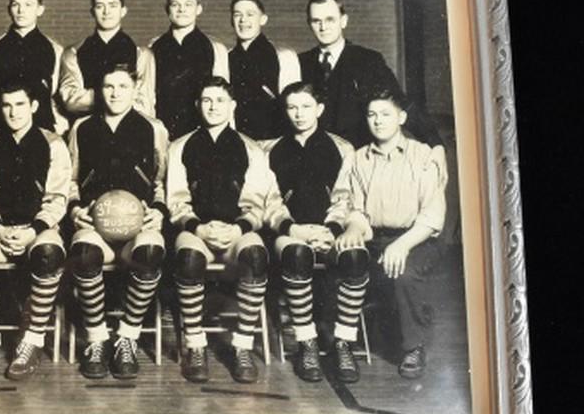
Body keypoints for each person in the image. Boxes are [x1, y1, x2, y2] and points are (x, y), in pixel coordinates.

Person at [0, 80, 71, 381]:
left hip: (38, 230)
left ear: (33, 106)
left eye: (20, 104)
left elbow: (58, 197)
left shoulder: (53, 143)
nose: (13, 112)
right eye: (7, 105)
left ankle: (31, 341)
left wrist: (33, 230)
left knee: (49, 253)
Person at [334, 88, 447, 379]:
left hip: (417, 237)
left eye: (385, 114)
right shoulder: (358, 159)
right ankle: (343, 344)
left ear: (402, 118)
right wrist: (354, 227)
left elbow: (432, 217)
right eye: (372, 115)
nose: (378, 121)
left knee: (404, 273)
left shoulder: (423, 155)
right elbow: (356, 208)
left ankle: (414, 347)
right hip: (375, 237)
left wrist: (402, 245)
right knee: (345, 259)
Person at [166, 76, 272, 384]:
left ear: (233, 106)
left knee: (256, 255)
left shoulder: (252, 149)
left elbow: (256, 203)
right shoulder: (180, 146)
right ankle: (195, 345)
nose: (213, 107)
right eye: (207, 100)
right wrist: (198, 228)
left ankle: (242, 346)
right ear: (197, 105)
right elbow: (176, 200)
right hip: (197, 231)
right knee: (188, 259)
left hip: (236, 232)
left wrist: (238, 229)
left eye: (220, 101)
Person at [68, 64, 170, 380]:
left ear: (135, 89)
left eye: (122, 86)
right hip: (94, 225)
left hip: (138, 226)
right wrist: (74, 209)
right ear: (99, 91)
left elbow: (161, 180)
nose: (114, 93)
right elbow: (70, 180)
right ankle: (97, 339)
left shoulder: (153, 128)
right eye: (108, 86)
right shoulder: (82, 128)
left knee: (150, 252)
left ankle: (127, 336)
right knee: (84, 253)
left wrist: (158, 210)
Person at [263, 82, 369, 383]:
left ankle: (343, 342)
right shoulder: (270, 150)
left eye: (306, 106)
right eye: (292, 107)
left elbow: (345, 196)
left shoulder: (342, 148)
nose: (299, 114)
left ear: (319, 109)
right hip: (291, 232)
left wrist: (331, 229)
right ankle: (306, 342)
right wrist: (294, 228)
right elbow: (269, 200)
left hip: (332, 231)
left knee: (356, 257)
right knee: (297, 255)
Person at [297, 0, 442, 150]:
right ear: (309, 24)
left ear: (344, 21)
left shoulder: (368, 60)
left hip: (358, 153)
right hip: (314, 153)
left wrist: (435, 144)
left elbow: (400, 102)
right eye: (316, 21)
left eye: (330, 19)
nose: (323, 27)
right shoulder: (300, 62)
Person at [0, 0, 67, 138]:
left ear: (40, 9)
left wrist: (58, 136)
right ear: (9, 9)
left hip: (42, 134)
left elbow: (56, 100)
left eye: (28, 5)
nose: (21, 10)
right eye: (15, 4)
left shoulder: (55, 50)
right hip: (0, 134)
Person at [58, 0, 156, 120]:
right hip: (88, 127)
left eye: (112, 5)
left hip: (130, 127)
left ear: (123, 11)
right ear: (92, 12)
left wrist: (94, 96)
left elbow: (145, 104)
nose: (106, 12)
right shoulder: (73, 53)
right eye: (100, 6)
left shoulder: (141, 54)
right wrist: (119, 96)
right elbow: (71, 100)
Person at [149, 0, 230, 141]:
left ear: (198, 9)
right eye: (175, 5)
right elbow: (148, 94)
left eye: (188, 4)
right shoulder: (155, 47)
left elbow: (222, 96)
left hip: (202, 131)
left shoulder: (214, 47)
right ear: (167, 10)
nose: (181, 10)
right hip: (164, 131)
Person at [226, 0, 301, 142]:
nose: (243, 20)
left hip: (275, 141)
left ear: (263, 19)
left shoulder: (284, 56)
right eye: (237, 15)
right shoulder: (226, 57)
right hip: (236, 141)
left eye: (250, 14)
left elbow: (295, 104)